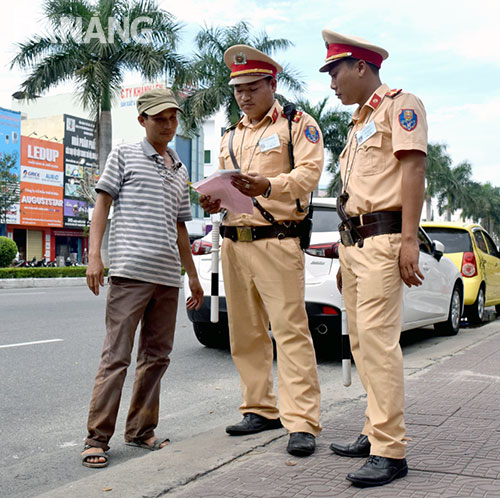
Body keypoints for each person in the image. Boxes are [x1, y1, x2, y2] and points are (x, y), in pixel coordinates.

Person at [201, 45, 323, 457]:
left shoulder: (297, 124)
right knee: (246, 333)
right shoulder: (230, 135)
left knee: (290, 333)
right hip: (235, 243)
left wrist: (268, 186)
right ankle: (259, 407)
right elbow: (227, 183)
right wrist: (213, 200)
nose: (244, 97)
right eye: (238, 90)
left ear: (273, 84)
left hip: (278, 242)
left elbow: (308, 174)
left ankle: (301, 422)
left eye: (253, 88)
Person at [319, 30, 427, 487]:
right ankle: (373, 427)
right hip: (355, 243)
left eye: (335, 72)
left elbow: (413, 167)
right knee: (362, 344)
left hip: (385, 240)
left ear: (361, 67)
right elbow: (353, 193)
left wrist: (409, 240)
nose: (331, 84)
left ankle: (390, 450)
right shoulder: (358, 123)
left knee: (380, 345)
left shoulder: (401, 106)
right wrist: (344, 255)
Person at [81, 88, 203, 468]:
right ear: (142, 121)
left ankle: (140, 431)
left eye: (173, 118)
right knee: (116, 357)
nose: (168, 125)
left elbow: (181, 229)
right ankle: (96, 438)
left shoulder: (178, 168)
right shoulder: (124, 155)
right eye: (160, 118)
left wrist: (193, 277)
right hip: (130, 273)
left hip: (167, 276)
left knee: (156, 357)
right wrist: (94, 256)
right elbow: (102, 204)